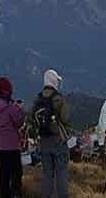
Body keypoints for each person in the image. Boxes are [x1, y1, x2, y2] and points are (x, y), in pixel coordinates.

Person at [32, 69, 71, 198]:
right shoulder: (59, 99)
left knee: (47, 174)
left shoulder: (37, 99)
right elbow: (65, 119)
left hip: (43, 141)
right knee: (61, 173)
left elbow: (32, 119)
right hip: (58, 140)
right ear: (55, 82)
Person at [0, 77, 25, 198]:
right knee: (16, 172)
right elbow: (19, 122)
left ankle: (4, 194)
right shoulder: (10, 107)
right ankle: (16, 194)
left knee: (3, 173)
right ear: (8, 91)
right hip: (12, 146)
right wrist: (20, 109)